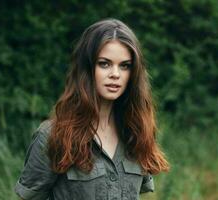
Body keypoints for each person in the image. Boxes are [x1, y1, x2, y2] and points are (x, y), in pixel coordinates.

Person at [14, 18, 169, 200]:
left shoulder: (137, 132)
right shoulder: (51, 135)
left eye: (124, 66)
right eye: (104, 63)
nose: (115, 74)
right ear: (87, 68)